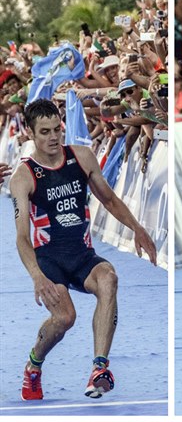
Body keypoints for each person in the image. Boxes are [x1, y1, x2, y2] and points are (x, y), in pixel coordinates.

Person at [10, 99, 157, 401]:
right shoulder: (23, 177)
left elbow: (110, 200)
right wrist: (37, 277)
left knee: (109, 278)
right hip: (48, 260)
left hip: (82, 255)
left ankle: (99, 368)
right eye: (45, 132)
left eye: (57, 130)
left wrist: (138, 229)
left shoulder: (82, 157)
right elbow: (22, 237)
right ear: (30, 133)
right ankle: (34, 365)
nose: (53, 137)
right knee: (64, 318)